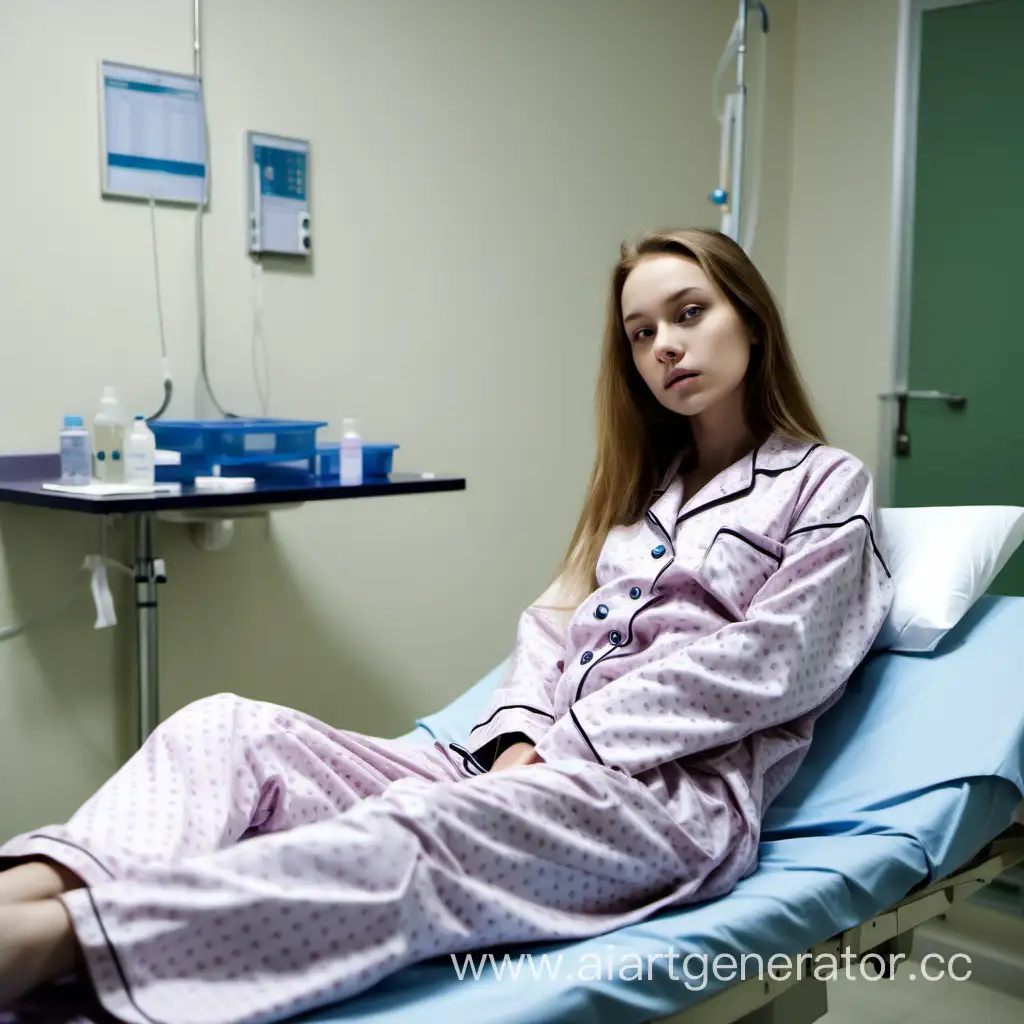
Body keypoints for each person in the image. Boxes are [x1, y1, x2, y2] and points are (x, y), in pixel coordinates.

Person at [0, 227, 893, 1023]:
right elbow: (550, 626)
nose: (665, 346)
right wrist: (515, 743)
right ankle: (35, 886)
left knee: (406, 838)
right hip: (529, 762)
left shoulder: (826, 483)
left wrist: (569, 745)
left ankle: (50, 945)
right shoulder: (638, 496)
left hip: (664, 799)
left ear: (752, 320)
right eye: (641, 333)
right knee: (227, 728)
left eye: (688, 313)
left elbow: (776, 662)